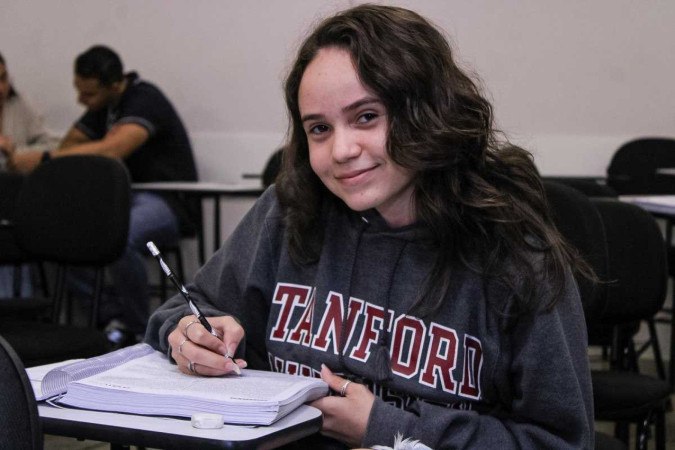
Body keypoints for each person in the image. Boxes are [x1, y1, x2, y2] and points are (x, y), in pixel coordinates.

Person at [145, 5, 594, 449]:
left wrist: (385, 428)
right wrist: (187, 334)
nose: (341, 149)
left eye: (366, 117)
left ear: (430, 113)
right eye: (319, 128)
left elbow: (560, 442)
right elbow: (189, 306)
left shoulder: (515, 255)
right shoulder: (289, 210)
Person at [1, 45, 199, 344]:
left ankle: (139, 330)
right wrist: (48, 156)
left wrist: (42, 159)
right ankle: (111, 318)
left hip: (168, 201)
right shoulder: (102, 108)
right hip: (128, 202)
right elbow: (67, 148)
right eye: (79, 92)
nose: (81, 100)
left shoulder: (144, 99)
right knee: (63, 238)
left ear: (115, 84)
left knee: (121, 235)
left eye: (89, 94)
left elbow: (112, 150)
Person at [0, 52, 59, 298]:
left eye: (3, 79)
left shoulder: (19, 105)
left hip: (17, 200)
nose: (0, 88)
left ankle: (20, 308)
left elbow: (51, 146)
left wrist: (16, 151)